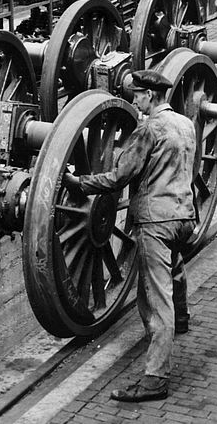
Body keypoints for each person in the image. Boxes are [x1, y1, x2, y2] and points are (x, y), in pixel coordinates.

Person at [64, 69, 197, 402]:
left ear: (150, 96)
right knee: (174, 266)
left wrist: (79, 183)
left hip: (156, 222)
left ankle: (155, 379)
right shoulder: (186, 124)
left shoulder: (149, 129)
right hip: (184, 217)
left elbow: (118, 178)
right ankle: (181, 318)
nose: (134, 102)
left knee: (154, 299)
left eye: (137, 96)